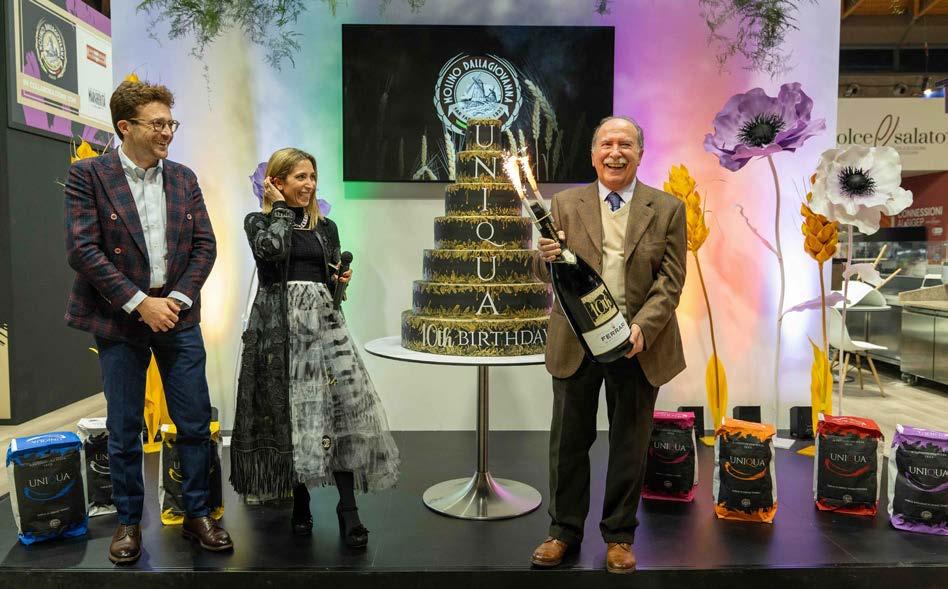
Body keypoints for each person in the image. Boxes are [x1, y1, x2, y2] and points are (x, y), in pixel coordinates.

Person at [64, 80, 232, 564]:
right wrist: (140, 303)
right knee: (124, 427)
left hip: (177, 315)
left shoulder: (183, 177)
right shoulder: (88, 176)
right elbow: (83, 250)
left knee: (195, 421)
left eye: (170, 123)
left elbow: (205, 246)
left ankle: (198, 514)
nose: (167, 132)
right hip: (120, 318)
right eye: (157, 124)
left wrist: (174, 300)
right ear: (126, 127)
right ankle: (128, 522)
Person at [529, 116, 687, 574]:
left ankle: (619, 535)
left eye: (625, 144)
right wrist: (543, 258)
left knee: (629, 445)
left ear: (640, 153)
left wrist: (644, 328)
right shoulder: (564, 204)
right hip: (576, 341)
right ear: (593, 153)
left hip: (637, 344)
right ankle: (562, 531)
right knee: (567, 443)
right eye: (607, 144)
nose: (615, 153)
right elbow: (544, 272)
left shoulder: (668, 208)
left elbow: (671, 281)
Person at [229, 147, 399, 548]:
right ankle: (300, 501)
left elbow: (331, 281)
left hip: (324, 329)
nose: (308, 185)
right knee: (292, 415)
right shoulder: (258, 222)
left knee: (340, 414)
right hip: (280, 331)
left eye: (312, 177)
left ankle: (348, 508)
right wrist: (278, 210)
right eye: (299, 177)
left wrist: (340, 281)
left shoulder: (327, 227)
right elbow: (272, 252)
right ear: (277, 181)